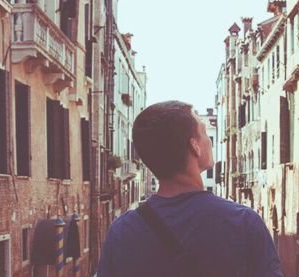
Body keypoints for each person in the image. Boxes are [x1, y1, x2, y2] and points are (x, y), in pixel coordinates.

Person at [97, 101, 281, 277]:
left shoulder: (121, 232)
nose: (209, 140)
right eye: (204, 132)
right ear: (195, 146)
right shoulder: (244, 223)